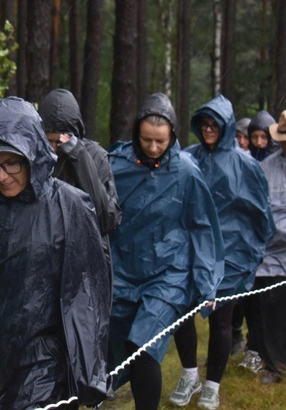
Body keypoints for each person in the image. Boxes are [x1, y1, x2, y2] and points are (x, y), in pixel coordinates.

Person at [0, 96, 111, 410]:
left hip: (42, 360)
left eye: (11, 163)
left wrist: (91, 370)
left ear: (32, 155)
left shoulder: (69, 206)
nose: (2, 175)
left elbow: (88, 293)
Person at [107, 93, 224, 410]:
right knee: (115, 344)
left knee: (142, 345)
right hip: (125, 269)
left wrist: (207, 282)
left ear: (173, 135)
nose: (154, 147)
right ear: (136, 134)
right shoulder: (117, 164)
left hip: (168, 274)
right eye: (147, 140)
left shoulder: (186, 171)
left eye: (161, 141)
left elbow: (203, 227)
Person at [169, 95, 273, 409]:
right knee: (181, 313)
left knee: (221, 321)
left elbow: (260, 212)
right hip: (189, 253)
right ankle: (190, 374)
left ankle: (213, 384)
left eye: (215, 124)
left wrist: (251, 253)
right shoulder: (188, 157)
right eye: (205, 123)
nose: (209, 129)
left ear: (226, 127)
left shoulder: (245, 164)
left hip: (231, 254)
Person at [39, 88, 122, 276]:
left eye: (59, 141)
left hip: (85, 264)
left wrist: (79, 158)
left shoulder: (94, 156)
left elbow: (106, 219)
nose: (53, 148)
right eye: (47, 140)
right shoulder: (33, 156)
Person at [236, 109, 281, 374]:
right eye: (255, 137)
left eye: (264, 137)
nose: (259, 143)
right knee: (258, 302)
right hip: (262, 248)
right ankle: (260, 352)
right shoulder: (258, 166)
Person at [253, 110, 286, 385]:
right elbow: (260, 210)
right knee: (271, 306)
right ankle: (274, 365)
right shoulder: (265, 168)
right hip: (273, 253)